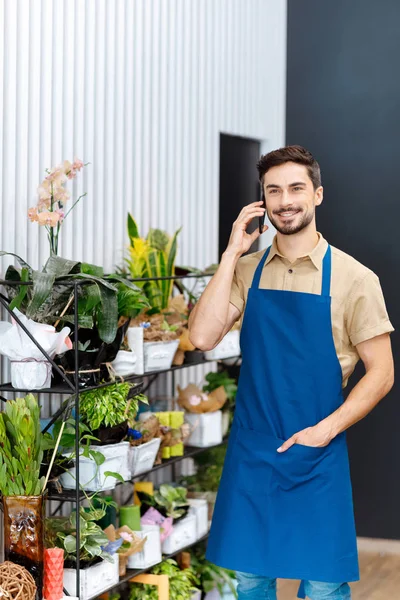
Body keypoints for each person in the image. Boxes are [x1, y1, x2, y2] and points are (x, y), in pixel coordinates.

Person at [188, 145, 394, 600]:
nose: (286, 200)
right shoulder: (246, 270)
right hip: (254, 450)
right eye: (273, 190)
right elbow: (201, 337)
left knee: (322, 586)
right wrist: (230, 252)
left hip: (318, 452)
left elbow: (381, 373)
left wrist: (326, 430)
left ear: (317, 194)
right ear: (262, 202)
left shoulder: (354, 279)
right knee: (252, 582)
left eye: (296, 188)